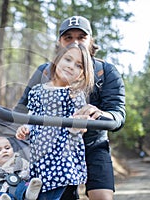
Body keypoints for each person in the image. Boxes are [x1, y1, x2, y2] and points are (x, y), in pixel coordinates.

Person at [14, 16, 126, 200]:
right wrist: (22, 129)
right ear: (59, 43)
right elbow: (22, 108)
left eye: (81, 37)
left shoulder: (106, 71)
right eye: (68, 37)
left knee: (102, 197)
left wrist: (99, 114)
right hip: (54, 150)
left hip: (93, 144)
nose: (75, 41)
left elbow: (118, 115)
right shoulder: (44, 71)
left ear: (91, 41)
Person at [15, 43, 94, 199]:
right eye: (68, 60)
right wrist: (26, 128)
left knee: (59, 194)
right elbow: (33, 117)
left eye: (78, 66)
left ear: (82, 74)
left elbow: (80, 126)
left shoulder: (74, 95)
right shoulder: (37, 91)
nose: (71, 67)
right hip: (40, 155)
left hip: (64, 157)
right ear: (57, 60)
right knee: (38, 190)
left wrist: (78, 125)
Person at [0, 136, 42, 200]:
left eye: (7, 148)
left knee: (24, 186)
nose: (4, 151)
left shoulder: (20, 162)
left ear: (12, 149)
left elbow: (29, 172)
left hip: (18, 189)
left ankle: (29, 194)